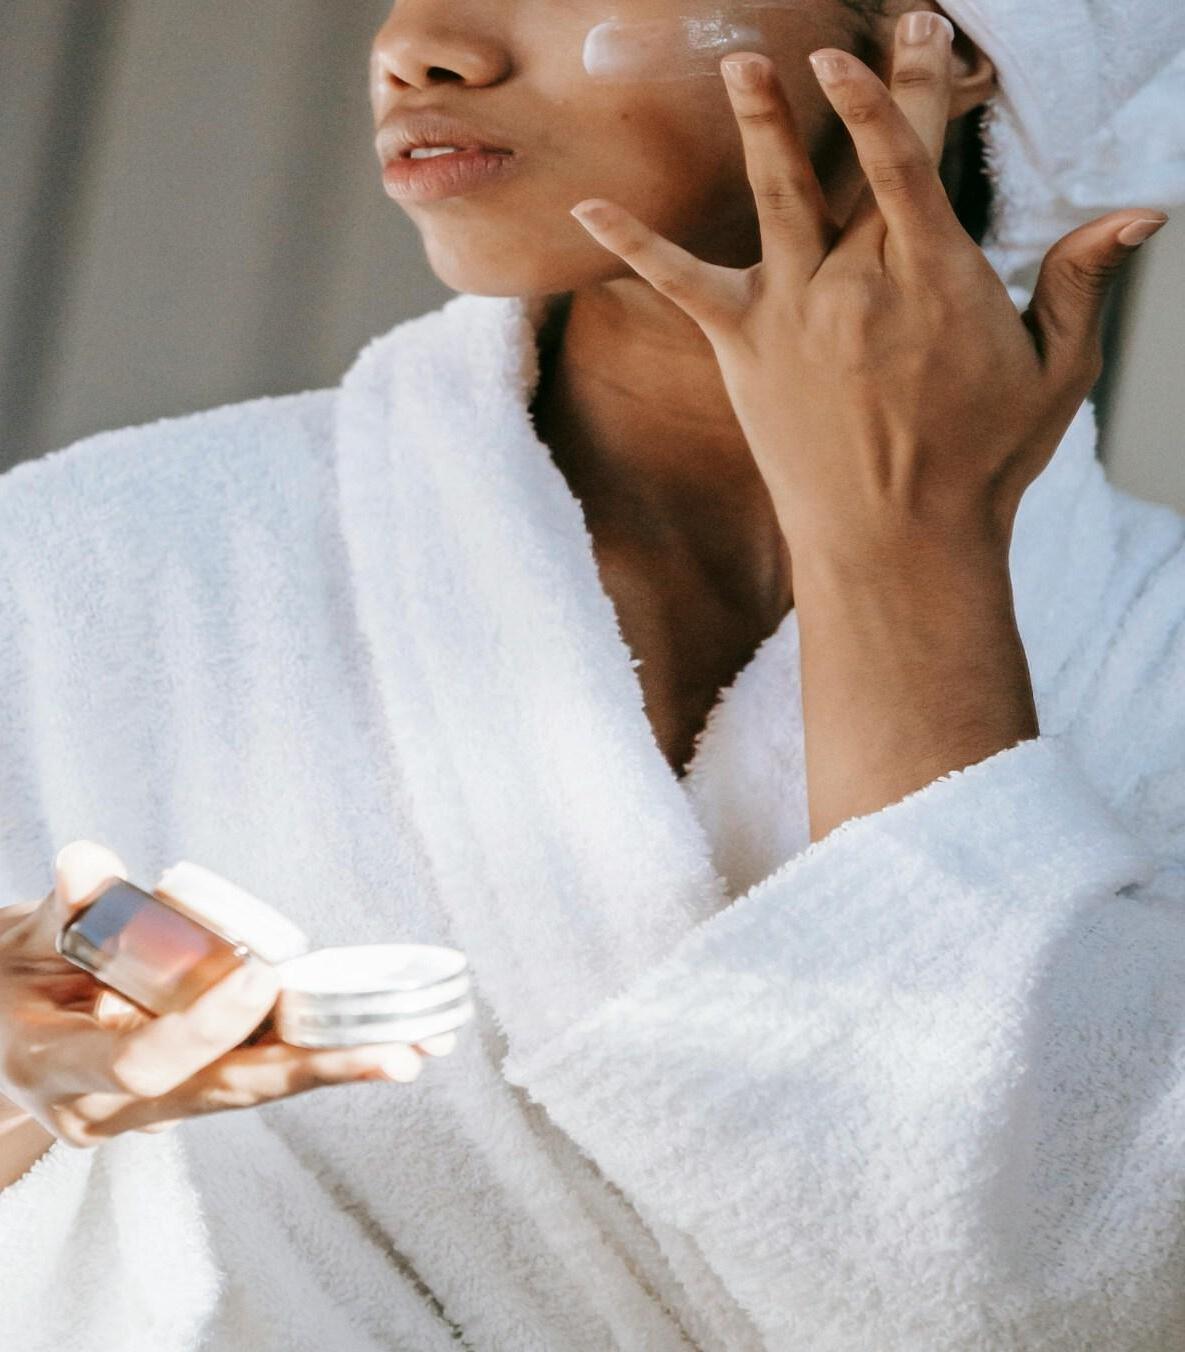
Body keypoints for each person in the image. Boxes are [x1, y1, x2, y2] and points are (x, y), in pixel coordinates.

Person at [1, 0, 1183, 1347]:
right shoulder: (89, 560)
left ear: (954, 39)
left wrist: (903, 557)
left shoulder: (1154, 652)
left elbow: (1041, 1286)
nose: (418, 45)